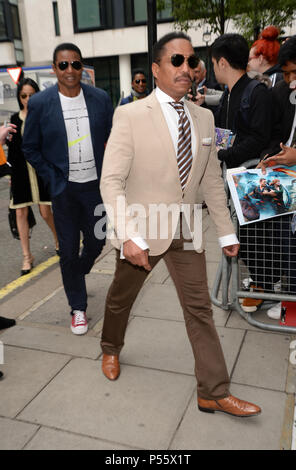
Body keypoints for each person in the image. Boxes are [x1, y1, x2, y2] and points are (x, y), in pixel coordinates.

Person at [99, 31, 261, 418]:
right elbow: (112, 181)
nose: (187, 68)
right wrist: (128, 236)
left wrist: (225, 231)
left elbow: (208, 180)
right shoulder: (130, 115)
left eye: (192, 61)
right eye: (177, 61)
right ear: (156, 69)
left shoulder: (204, 117)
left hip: (187, 229)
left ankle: (213, 391)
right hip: (142, 229)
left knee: (199, 309)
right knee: (122, 299)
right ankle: (110, 347)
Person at [22, 43, 113, 335]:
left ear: (82, 68)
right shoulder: (40, 103)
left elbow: (113, 140)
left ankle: (76, 273)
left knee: (98, 242)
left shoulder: (100, 99)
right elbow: (30, 148)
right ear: (54, 69)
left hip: (95, 188)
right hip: (64, 190)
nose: (70, 70)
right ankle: (78, 307)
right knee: (69, 250)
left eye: (75, 64)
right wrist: (52, 177)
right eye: (63, 65)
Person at [7, 78, 59, 276]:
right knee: (21, 213)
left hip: (41, 172)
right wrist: (10, 173)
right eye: (24, 96)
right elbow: (11, 150)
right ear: (19, 98)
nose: (28, 99)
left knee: (46, 212)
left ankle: (57, 239)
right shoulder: (13, 119)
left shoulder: (45, 116)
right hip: (21, 174)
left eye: (32, 95)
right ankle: (27, 256)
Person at [212, 33, 272, 168]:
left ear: (222, 63)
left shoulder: (258, 93)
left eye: (213, 63)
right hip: (229, 174)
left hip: (248, 176)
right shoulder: (227, 94)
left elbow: (259, 139)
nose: (213, 70)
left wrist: (223, 154)